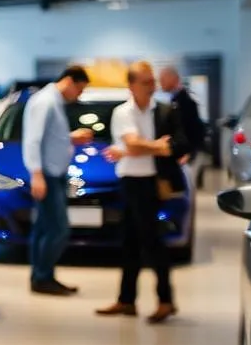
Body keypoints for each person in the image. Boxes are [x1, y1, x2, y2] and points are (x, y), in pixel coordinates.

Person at [97, 62, 180, 323]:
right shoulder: (123, 113)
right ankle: (126, 300)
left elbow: (174, 146)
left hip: (152, 182)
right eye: (145, 82)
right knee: (130, 242)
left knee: (152, 241)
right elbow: (132, 145)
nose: (151, 87)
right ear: (132, 85)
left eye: (152, 81)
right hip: (130, 181)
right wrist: (154, 146)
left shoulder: (163, 111)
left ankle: (165, 300)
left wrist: (141, 148)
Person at [23, 66, 95, 295]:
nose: (79, 95)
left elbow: (49, 137)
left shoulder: (53, 101)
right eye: (80, 89)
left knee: (44, 229)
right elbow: (33, 140)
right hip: (47, 174)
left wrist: (70, 138)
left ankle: (42, 276)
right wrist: (36, 174)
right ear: (69, 81)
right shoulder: (45, 102)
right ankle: (42, 276)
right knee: (59, 230)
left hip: (53, 173)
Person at [157, 65, 205, 186]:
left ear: (173, 79)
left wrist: (189, 154)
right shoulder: (173, 101)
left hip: (184, 158)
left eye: (163, 79)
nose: (160, 83)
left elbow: (195, 130)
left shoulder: (186, 102)